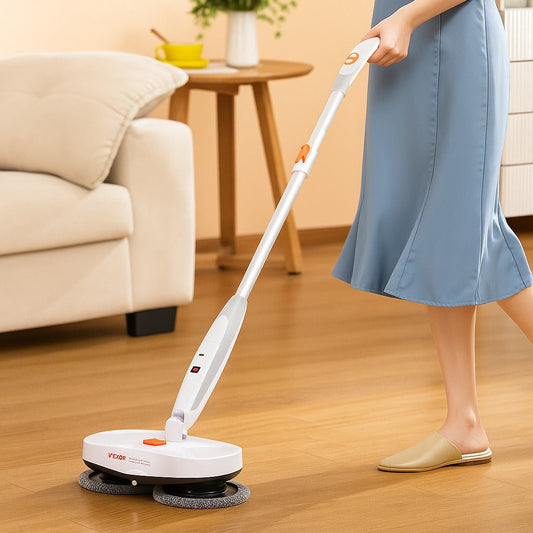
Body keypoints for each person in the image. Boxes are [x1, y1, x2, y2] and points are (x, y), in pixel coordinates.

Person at [332, 0, 533, 472]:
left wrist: (407, 17)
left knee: (468, 231)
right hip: (404, 46)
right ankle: (463, 423)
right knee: (438, 238)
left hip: (451, 39)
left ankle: (465, 423)